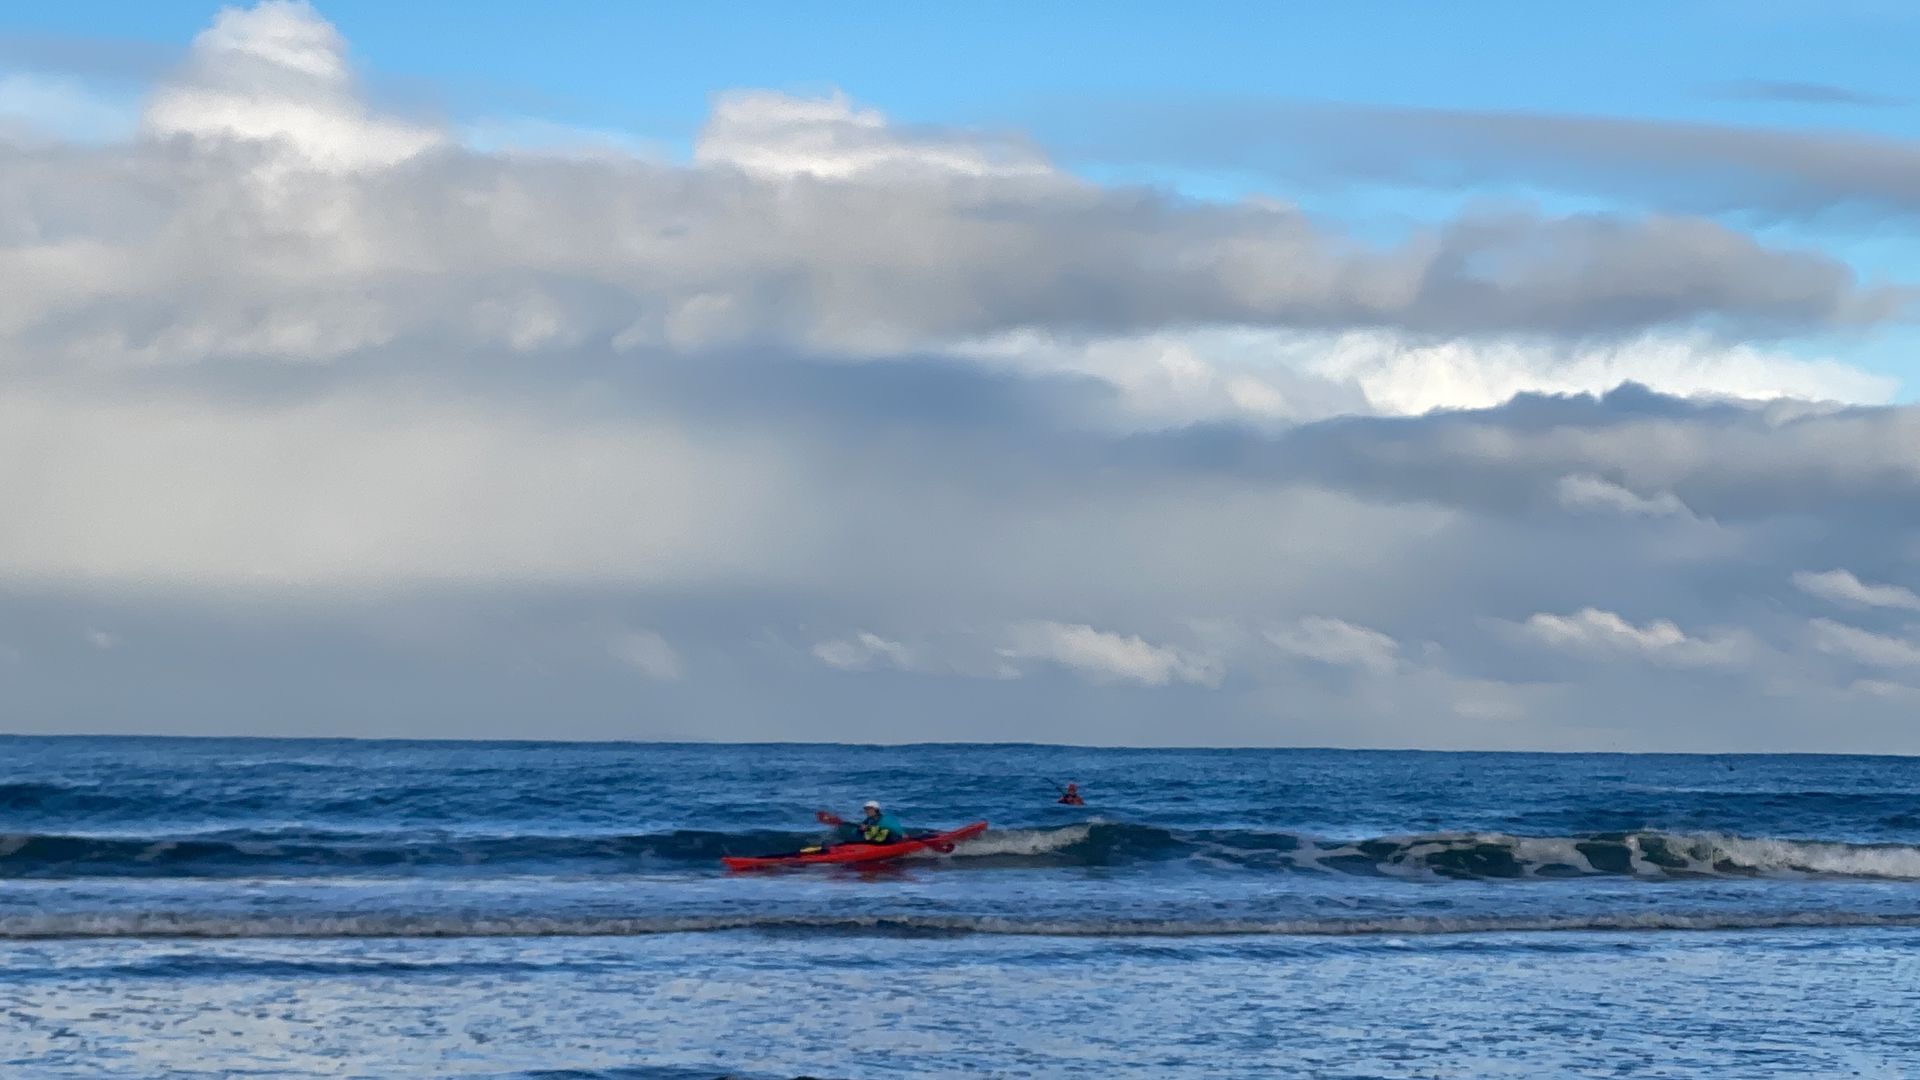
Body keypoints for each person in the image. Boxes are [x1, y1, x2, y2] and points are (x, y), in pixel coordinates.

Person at [815, 800, 908, 844]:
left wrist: (904, 839)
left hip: (887, 842)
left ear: (876, 810)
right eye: (866, 809)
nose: (867, 811)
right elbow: (861, 829)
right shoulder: (869, 819)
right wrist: (861, 829)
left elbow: (901, 833)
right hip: (874, 842)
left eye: (869, 809)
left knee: (881, 832)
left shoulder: (887, 820)